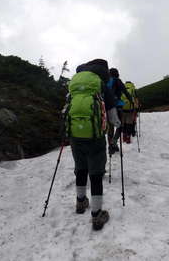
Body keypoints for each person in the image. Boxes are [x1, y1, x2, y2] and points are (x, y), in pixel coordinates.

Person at [68, 59, 121, 230]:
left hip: (75, 136)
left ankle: (80, 202)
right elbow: (113, 118)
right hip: (95, 137)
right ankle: (97, 215)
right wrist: (117, 124)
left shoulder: (74, 85)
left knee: (81, 169)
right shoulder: (101, 85)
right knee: (96, 174)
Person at [106, 68, 133, 154]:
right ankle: (114, 142)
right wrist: (131, 101)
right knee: (119, 126)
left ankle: (111, 146)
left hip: (107, 107)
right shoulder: (117, 81)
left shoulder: (105, 81)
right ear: (117, 74)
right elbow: (125, 92)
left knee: (110, 128)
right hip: (117, 106)